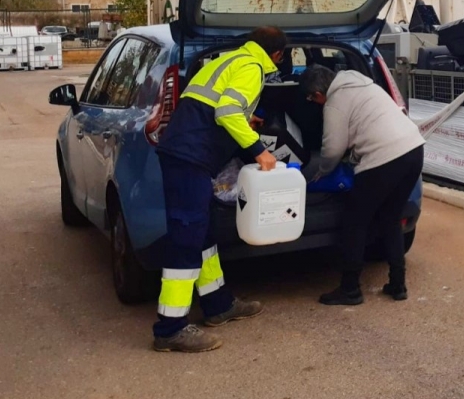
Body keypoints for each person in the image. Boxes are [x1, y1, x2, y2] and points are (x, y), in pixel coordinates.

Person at [151, 26, 289, 353]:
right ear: (278, 55)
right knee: (186, 239)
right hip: (190, 157)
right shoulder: (253, 67)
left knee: (203, 233)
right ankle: (170, 329)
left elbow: (215, 105)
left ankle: (218, 306)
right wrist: (259, 150)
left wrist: (246, 119)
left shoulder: (227, 60)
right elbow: (226, 111)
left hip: (187, 153)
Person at [300, 65, 425, 306]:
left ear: (317, 94)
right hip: (413, 149)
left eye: (312, 98)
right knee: (391, 217)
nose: (314, 103)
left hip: (384, 158)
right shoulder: (363, 83)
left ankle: (350, 290)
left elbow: (333, 148)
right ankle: (397, 285)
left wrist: (322, 172)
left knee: (355, 222)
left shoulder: (335, 101)